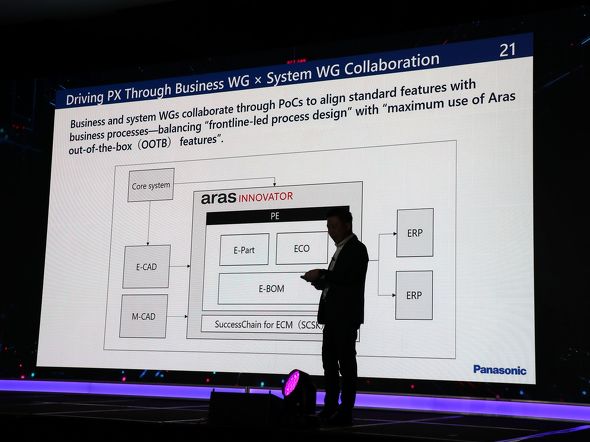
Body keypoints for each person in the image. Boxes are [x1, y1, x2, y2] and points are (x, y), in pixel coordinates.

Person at [301, 207, 368, 426]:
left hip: (345, 317)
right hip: (333, 318)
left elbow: (348, 278)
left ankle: (345, 410)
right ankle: (330, 407)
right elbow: (338, 281)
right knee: (329, 364)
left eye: (334, 226)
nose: (331, 231)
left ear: (347, 225)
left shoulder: (357, 249)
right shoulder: (342, 250)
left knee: (345, 365)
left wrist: (322, 273)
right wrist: (319, 281)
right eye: (328, 226)